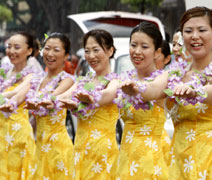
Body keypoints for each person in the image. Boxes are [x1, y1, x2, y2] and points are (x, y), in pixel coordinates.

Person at [125, 7, 212, 179]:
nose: (194, 36)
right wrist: (136, 88)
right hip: (179, 161)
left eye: (201, 30)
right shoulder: (175, 74)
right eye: (188, 31)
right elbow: (154, 88)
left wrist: (196, 92)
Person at [58, 29, 120, 179]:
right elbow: (65, 95)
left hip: (103, 151)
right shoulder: (83, 81)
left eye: (96, 50)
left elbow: (108, 94)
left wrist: (91, 98)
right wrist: (46, 101)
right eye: (87, 51)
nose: (91, 56)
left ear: (110, 51)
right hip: (81, 148)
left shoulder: (116, 80)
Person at [112, 22, 169, 179]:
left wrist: (138, 89)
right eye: (134, 45)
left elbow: (152, 89)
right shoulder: (125, 79)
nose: (137, 52)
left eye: (144, 47)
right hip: (125, 159)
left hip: (150, 162)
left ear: (157, 52)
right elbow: (106, 94)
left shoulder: (163, 78)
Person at [24, 32, 74, 179]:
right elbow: (18, 94)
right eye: (47, 48)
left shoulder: (67, 80)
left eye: (56, 50)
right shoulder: (37, 79)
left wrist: (44, 102)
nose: (50, 54)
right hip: (38, 145)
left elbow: (53, 98)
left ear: (66, 56)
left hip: (57, 147)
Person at [0, 32, 37, 179]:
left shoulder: (32, 76)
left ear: (29, 50)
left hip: (17, 134)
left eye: (17, 47)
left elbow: (16, 92)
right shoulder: (4, 73)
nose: (11, 51)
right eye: (9, 47)